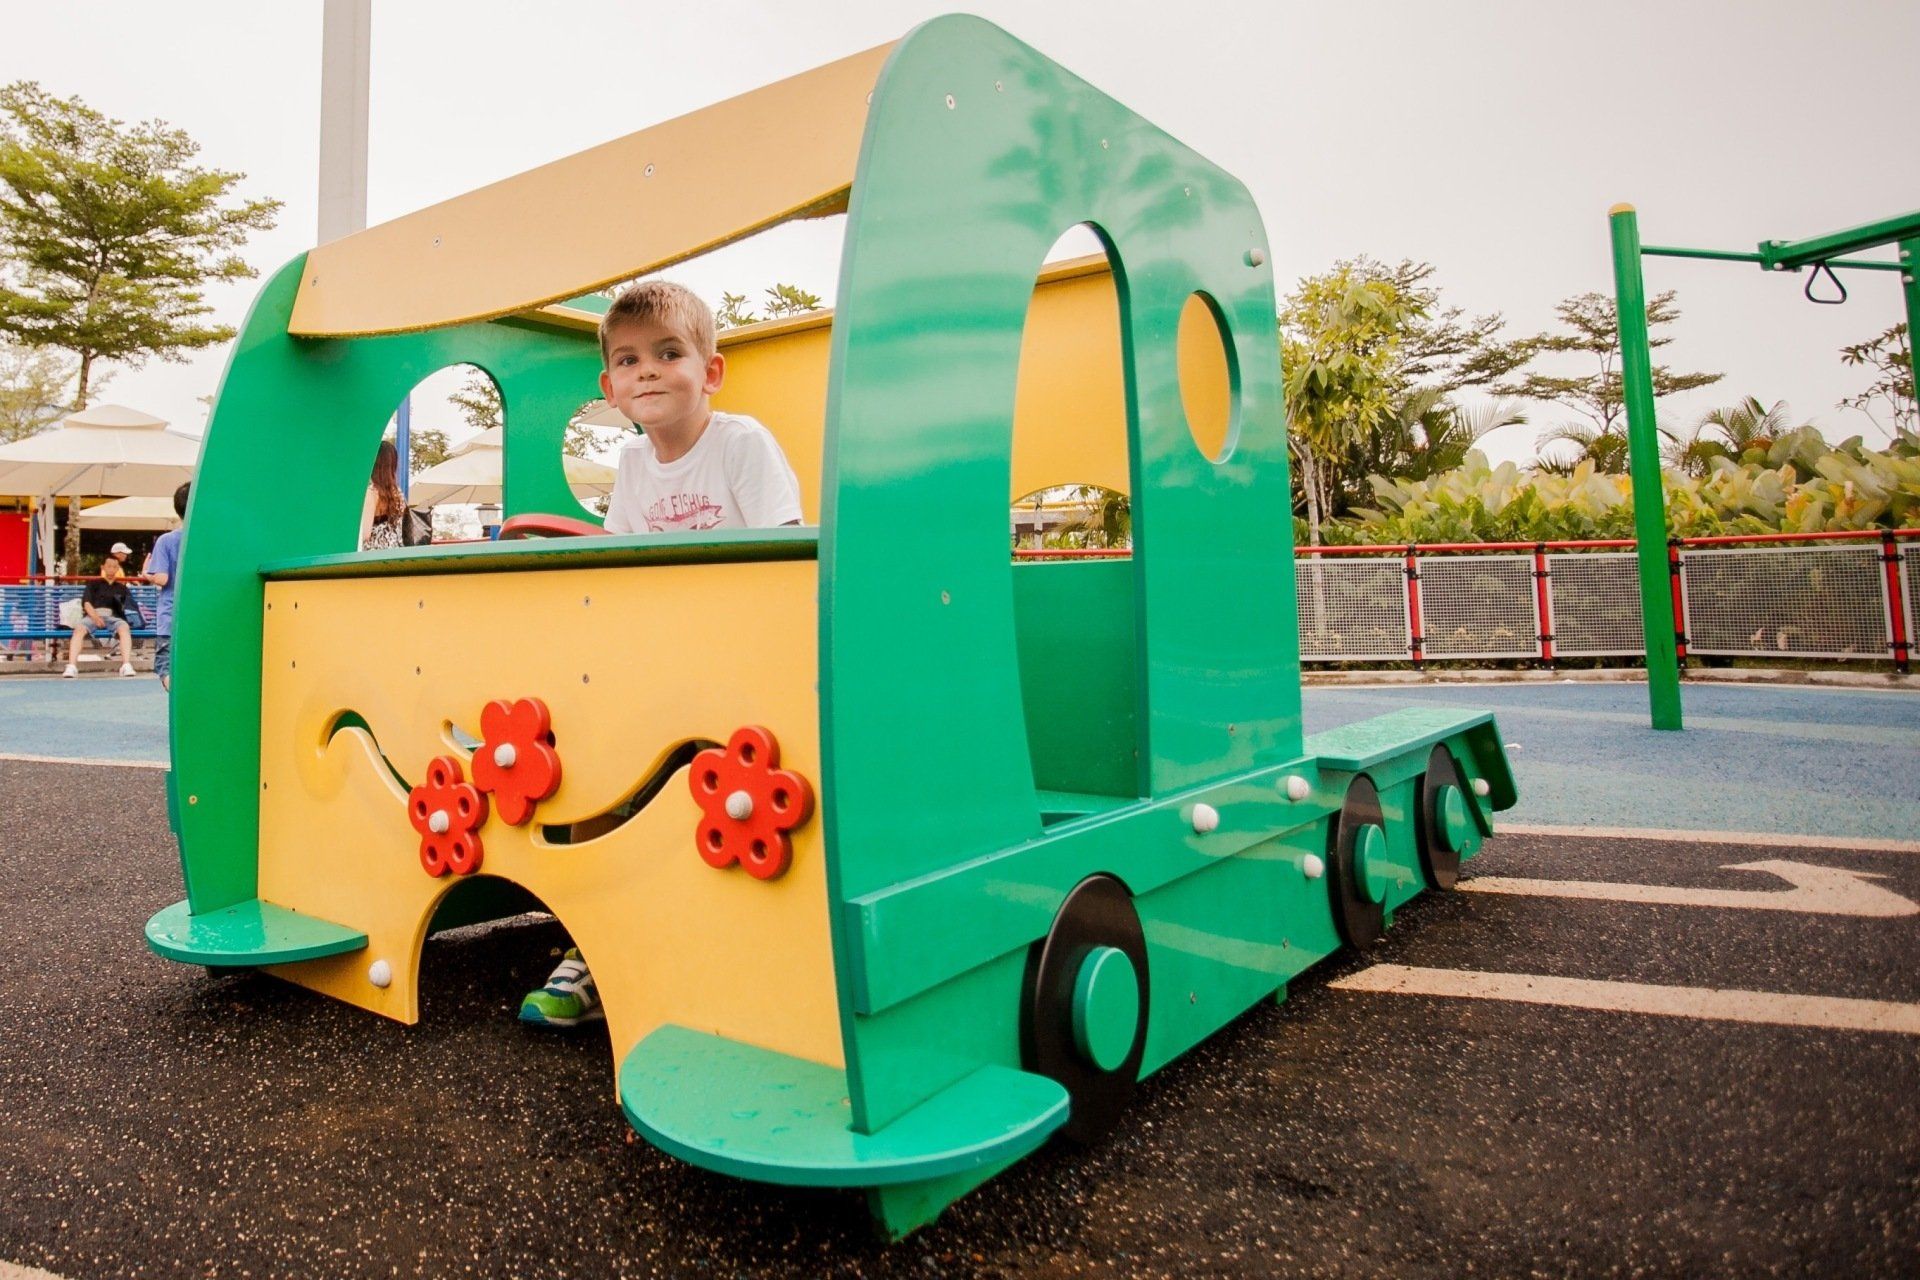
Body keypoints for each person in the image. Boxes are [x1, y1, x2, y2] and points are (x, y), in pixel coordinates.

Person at [517, 281, 803, 1029]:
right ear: (610, 387)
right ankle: (595, 940)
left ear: (711, 372)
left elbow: (785, 559)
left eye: (669, 353)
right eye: (629, 360)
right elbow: (620, 572)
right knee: (586, 758)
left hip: (749, 664)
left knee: (723, 786)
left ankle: (726, 948)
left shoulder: (740, 444)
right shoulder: (634, 464)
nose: (647, 370)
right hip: (667, 666)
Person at [142, 482, 189, 691]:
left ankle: (176, 695)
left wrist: (147, 574)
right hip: (196, 616)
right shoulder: (206, 541)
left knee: (166, 668)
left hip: (170, 618)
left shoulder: (167, 540)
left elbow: (162, 579)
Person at [63, 557, 136, 678]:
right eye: (109, 566)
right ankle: (71, 666)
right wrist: (95, 617)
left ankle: (126, 665)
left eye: (114, 567)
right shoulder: (93, 584)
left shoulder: (122, 588)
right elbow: (86, 603)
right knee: (79, 629)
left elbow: (128, 607)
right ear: (103, 567)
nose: (111, 569)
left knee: (124, 628)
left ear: (118, 569)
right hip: (93, 615)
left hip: (113, 616)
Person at [359, 440, 406, 550]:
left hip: (375, 555)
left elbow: (365, 534)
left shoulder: (371, 494)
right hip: (395, 552)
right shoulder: (398, 494)